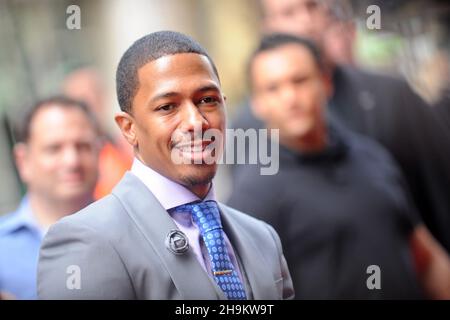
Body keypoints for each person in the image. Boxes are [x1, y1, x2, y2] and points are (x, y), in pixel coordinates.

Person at [37, 31, 294, 300]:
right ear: (129, 128)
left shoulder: (262, 238)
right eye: (167, 107)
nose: (196, 122)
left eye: (207, 100)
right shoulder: (86, 242)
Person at [228, 33, 450, 299]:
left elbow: (425, 259)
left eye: (300, 81)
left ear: (325, 83)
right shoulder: (252, 194)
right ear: (257, 104)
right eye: (273, 88)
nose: (290, 98)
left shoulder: (371, 156)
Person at [0, 96, 100, 299]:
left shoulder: (136, 231)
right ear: (23, 161)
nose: (72, 161)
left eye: (82, 146)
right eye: (54, 148)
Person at [63, 67, 133, 199]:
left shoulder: (126, 142)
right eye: (81, 100)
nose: (90, 103)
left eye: (94, 94)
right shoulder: (71, 160)